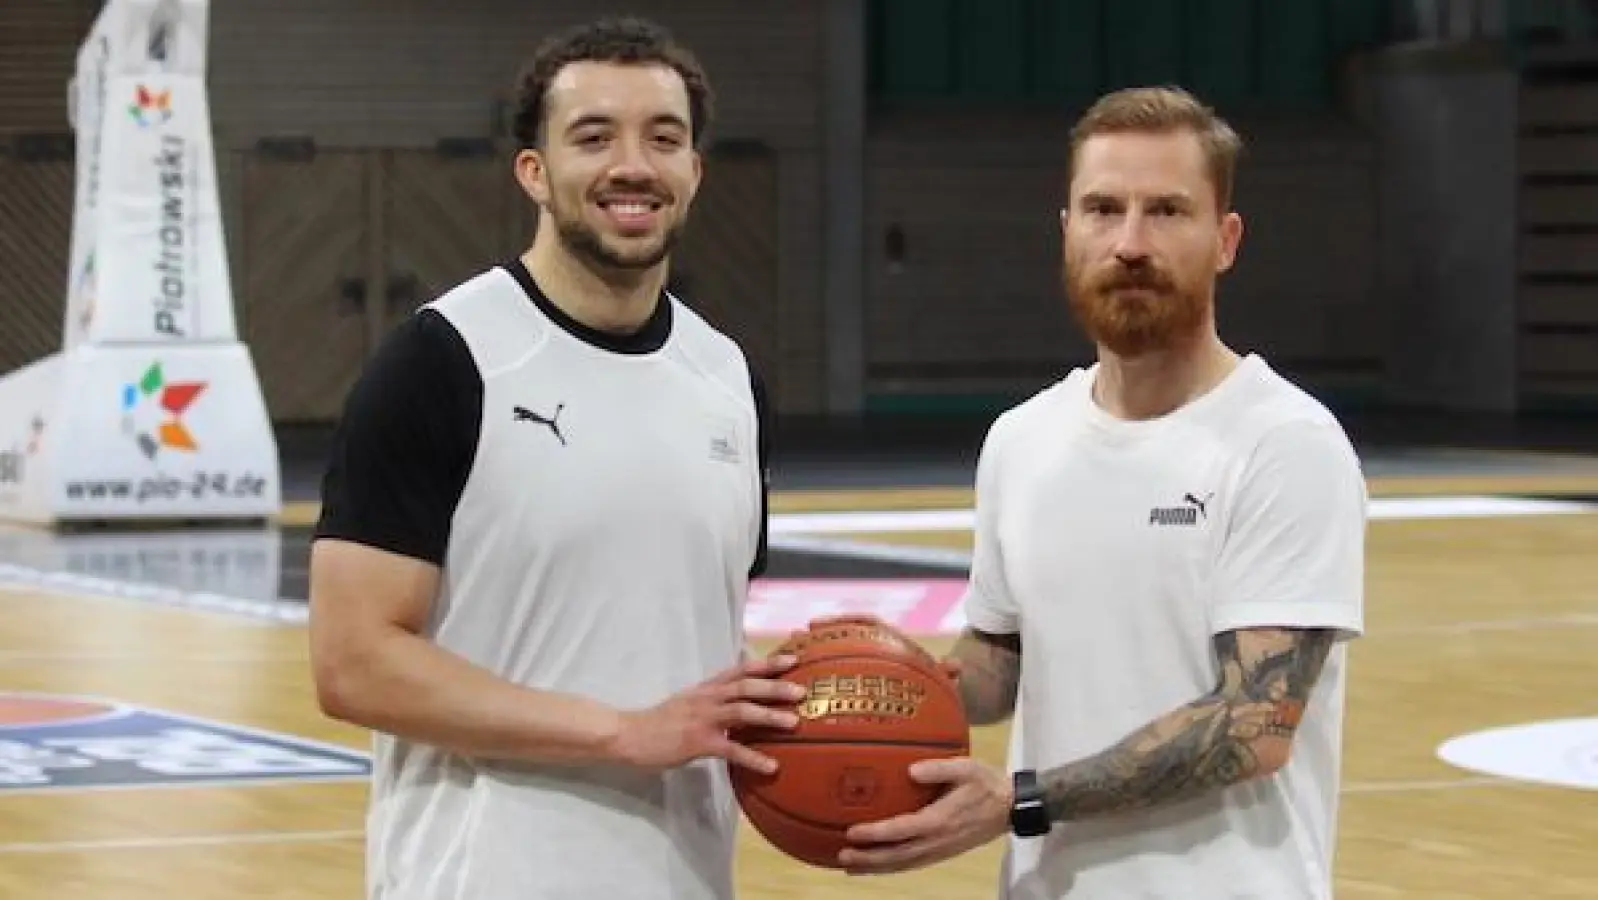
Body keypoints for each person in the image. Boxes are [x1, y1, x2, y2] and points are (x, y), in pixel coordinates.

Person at [305, 16, 805, 900]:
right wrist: (619, 731)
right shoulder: (442, 360)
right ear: (533, 171)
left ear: (694, 171)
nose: (632, 165)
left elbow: (668, 624)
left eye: (664, 137)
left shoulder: (726, 377)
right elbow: (353, 662)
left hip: (683, 875)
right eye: (593, 136)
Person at [835, 86, 1368, 899]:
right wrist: (875, 682)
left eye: (1166, 211)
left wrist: (1020, 801)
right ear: (1066, 230)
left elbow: (1252, 725)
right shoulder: (1022, 440)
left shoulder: (1283, 442)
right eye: (1103, 209)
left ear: (1225, 240)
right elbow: (998, 668)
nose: (1129, 242)